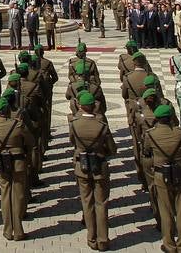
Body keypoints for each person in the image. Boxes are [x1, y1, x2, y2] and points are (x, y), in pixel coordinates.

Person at [68, 90, 116, 252]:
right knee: (101, 202)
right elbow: (112, 149)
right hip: (100, 164)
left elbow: (72, 141)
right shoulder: (101, 125)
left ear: (81, 106)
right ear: (93, 107)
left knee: (87, 202)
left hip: (81, 166)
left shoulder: (74, 124)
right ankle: (103, 240)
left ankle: (91, 237)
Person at [143, 103, 181, 253]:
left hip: (161, 174)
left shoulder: (151, 134)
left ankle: (169, 244)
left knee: (166, 211)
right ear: (171, 117)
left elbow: (146, 152)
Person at [0, 91, 30, 241]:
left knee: (5, 195)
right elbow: (30, 141)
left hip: (2, 162)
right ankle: (18, 230)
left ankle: (7, 229)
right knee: (17, 195)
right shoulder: (17, 125)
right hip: (18, 161)